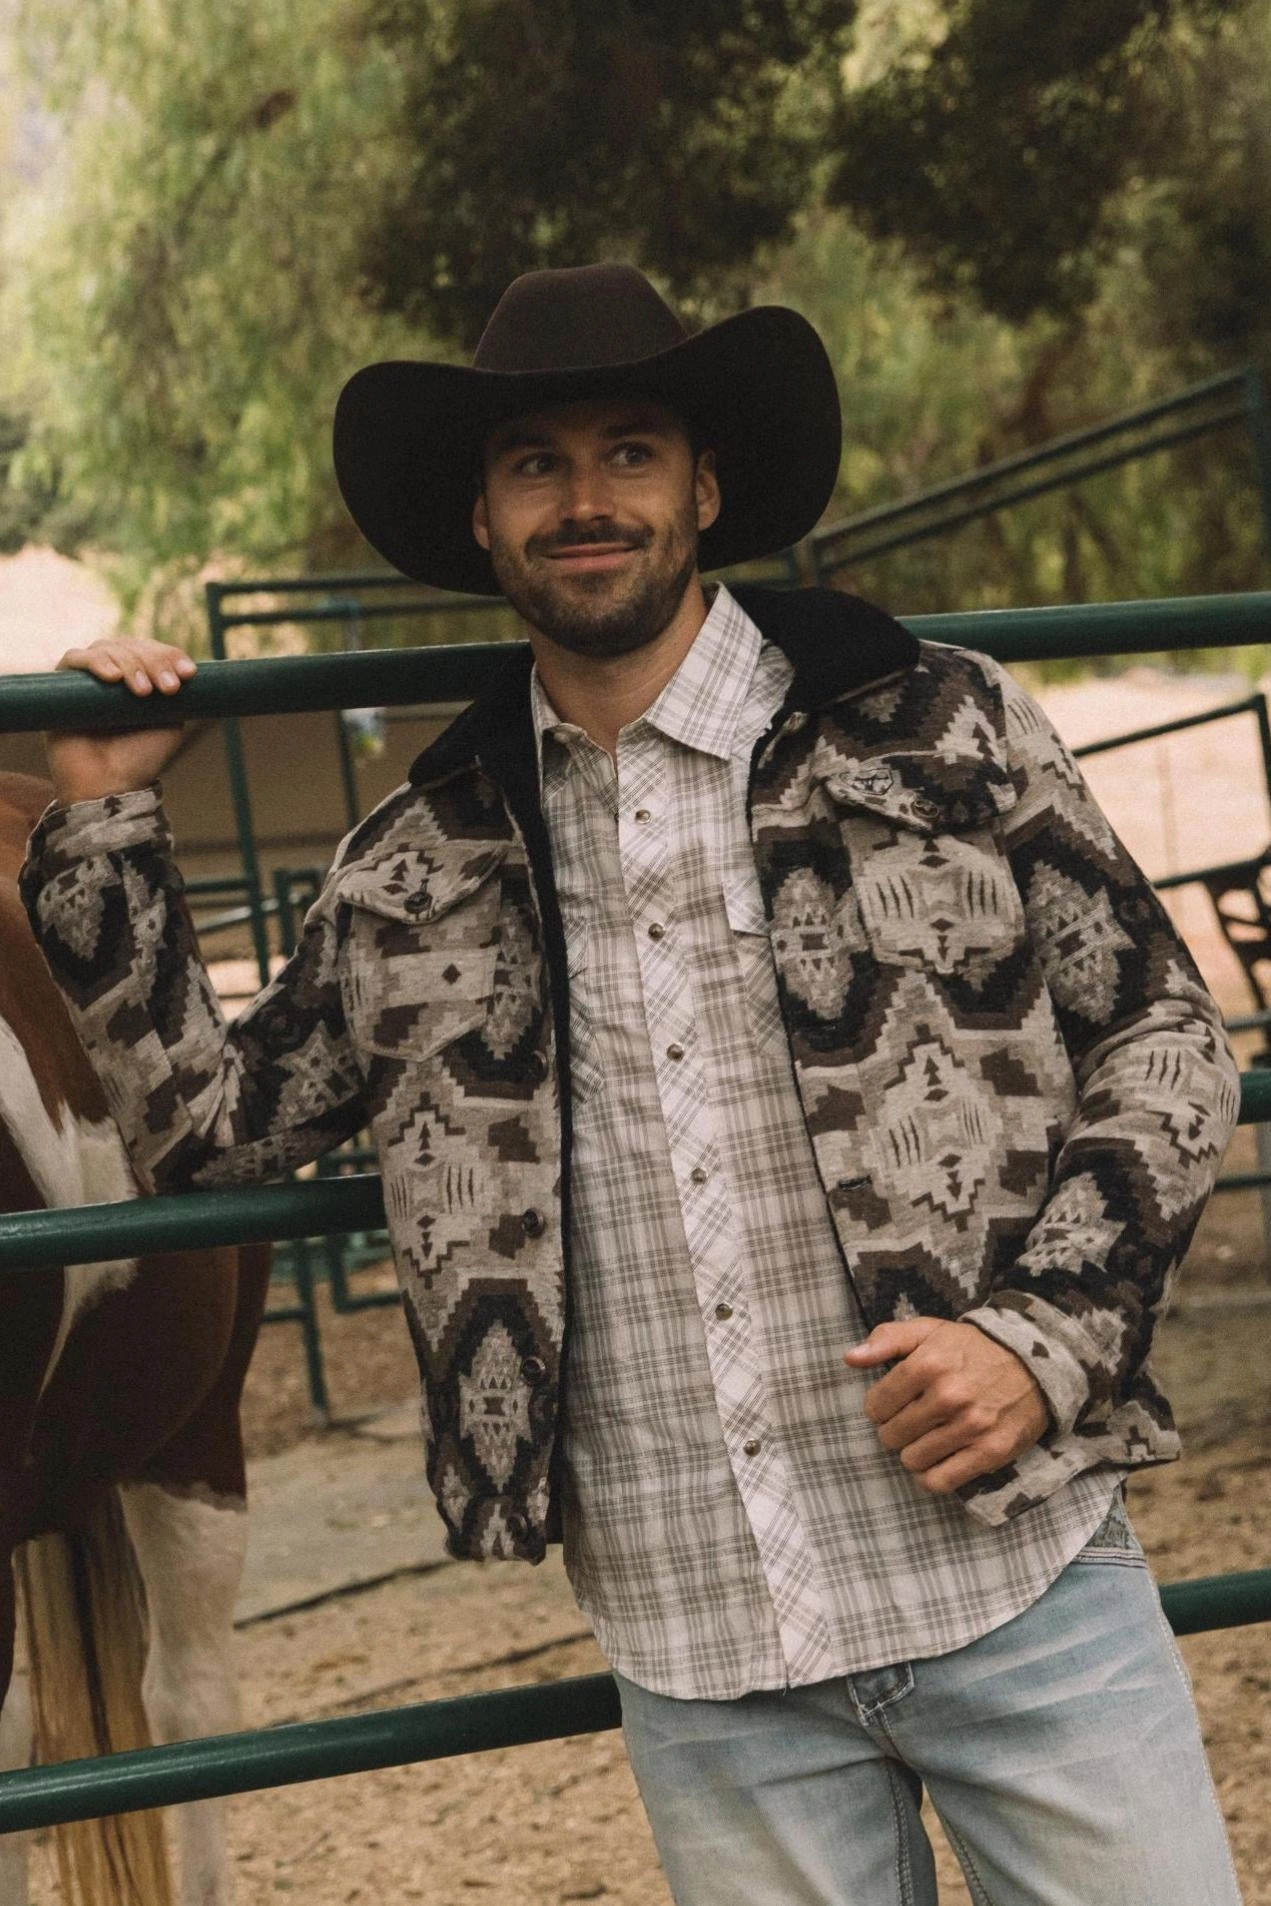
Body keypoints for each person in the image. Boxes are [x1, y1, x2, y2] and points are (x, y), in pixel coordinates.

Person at [23, 263, 1244, 1905]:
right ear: (481, 514)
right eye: (534, 460)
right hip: (705, 1658)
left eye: (629, 451)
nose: (584, 500)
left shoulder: (934, 730)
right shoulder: (422, 861)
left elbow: (1164, 1039)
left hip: (1013, 1582)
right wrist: (97, 822)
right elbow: (212, 1135)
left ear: (703, 486)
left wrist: (1047, 1338)